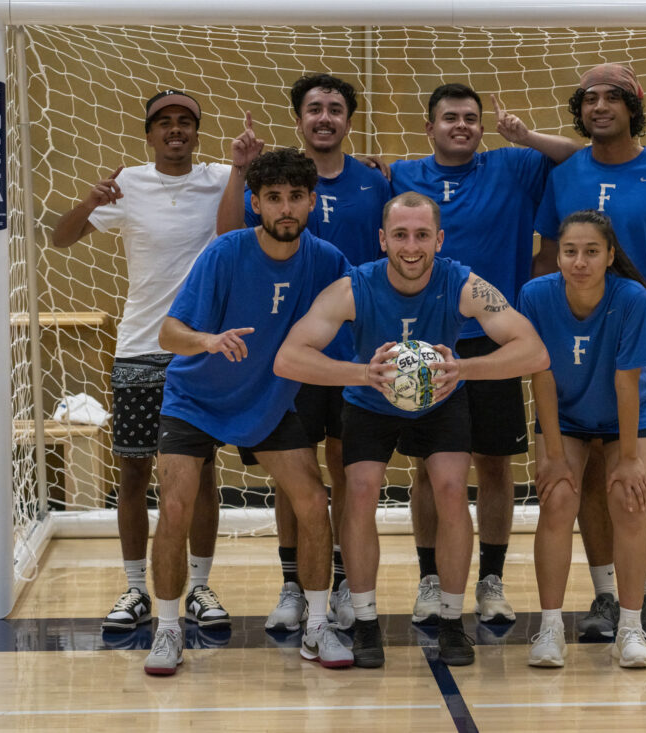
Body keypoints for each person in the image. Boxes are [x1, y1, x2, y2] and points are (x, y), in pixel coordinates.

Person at [274, 192, 549, 667]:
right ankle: (363, 624)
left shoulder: (463, 283)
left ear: (438, 239)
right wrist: (363, 373)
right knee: (359, 490)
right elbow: (288, 357)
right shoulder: (352, 287)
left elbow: (533, 350)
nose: (411, 245)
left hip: (440, 400)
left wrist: (461, 369)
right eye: (400, 234)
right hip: (370, 399)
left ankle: (450, 620)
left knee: (449, 488)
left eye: (422, 234)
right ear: (383, 240)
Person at [143, 147, 352, 675]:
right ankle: (168, 630)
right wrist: (209, 340)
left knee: (312, 501)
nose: (286, 208)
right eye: (274, 198)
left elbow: (367, 307)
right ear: (255, 203)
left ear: (312, 203)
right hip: (195, 400)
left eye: (296, 198)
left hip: (266, 401)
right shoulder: (225, 252)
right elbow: (169, 333)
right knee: (174, 507)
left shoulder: (326, 261)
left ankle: (318, 625)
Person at [389, 84, 580, 625]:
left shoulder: (515, 165)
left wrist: (525, 134)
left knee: (495, 466)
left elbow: (578, 156)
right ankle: (430, 579)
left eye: (471, 118)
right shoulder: (402, 175)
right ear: (429, 128)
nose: (462, 126)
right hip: (425, 345)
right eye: (449, 118)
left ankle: (491, 581)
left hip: (496, 344)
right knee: (428, 469)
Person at [533, 64, 646, 641]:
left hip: (642, 339)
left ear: (634, 106)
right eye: (588, 98)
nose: (599, 106)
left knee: (643, 476)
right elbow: (544, 260)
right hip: (574, 336)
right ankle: (606, 595)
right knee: (582, 483)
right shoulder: (563, 175)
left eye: (612, 97)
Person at [51, 89, 233, 636]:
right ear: (148, 132)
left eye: (185, 122)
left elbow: (250, 217)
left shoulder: (223, 178)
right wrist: (89, 200)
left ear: (197, 131)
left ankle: (199, 586)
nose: (175, 130)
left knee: (202, 475)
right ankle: (134, 588)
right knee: (132, 472)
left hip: (199, 351)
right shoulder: (126, 183)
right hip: (138, 348)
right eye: (164, 123)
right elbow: (60, 240)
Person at [216, 74, 391, 634]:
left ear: (348, 120)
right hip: (287, 357)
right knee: (294, 477)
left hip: (355, 358)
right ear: (298, 118)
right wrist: (240, 169)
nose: (324, 117)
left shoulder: (374, 182)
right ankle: (293, 585)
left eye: (335, 109)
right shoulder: (280, 181)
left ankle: (338, 580)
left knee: (345, 471)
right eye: (314, 108)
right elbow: (227, 237)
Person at [521, 210, 646, 668]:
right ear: (558, 256)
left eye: (590, 252)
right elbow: (540, 376)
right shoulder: (534, 295)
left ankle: (630, 628)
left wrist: (626, 459)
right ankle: (549, 631)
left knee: (628, 497)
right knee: (558, 497)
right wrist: (552, 455)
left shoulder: (632, 298)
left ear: (609, 256)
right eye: (570, 251)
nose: (579, 261)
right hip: (565, 413)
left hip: (625, 413)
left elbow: (628, 382)